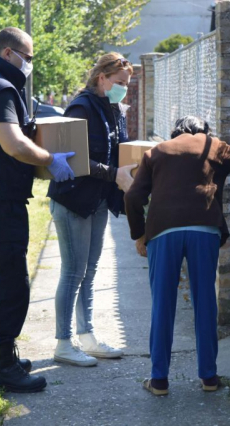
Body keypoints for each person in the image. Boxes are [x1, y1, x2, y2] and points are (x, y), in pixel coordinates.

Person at [0, 27, 75, 393]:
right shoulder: (1, 87)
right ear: (9, 54)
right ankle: (2, 367)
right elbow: (13, 144)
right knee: (11, 283)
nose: (30, 64)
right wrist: (49, 159)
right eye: (28, 56)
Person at [124, 116, 230, 396]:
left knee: (163, 303)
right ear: (204, 131)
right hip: (203, 231)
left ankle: (159, 380)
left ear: (175, 132)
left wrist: (139, 234)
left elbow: (133, 197)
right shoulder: (215, 146)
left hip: (163, 233)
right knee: (205, 301)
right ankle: (209, 377)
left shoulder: (155, 152)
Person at [47, 53, 137, 367]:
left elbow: (120, 151)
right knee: (73, 272)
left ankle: (87, 338)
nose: (123, 89)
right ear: (101, 77)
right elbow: (72, 159)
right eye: (119, 83)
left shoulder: (114, 109)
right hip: (72, 199)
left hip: (98, 200)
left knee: (89, 271)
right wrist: (114, 175)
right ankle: (63, 342)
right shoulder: (80, 107)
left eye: (127, 84)